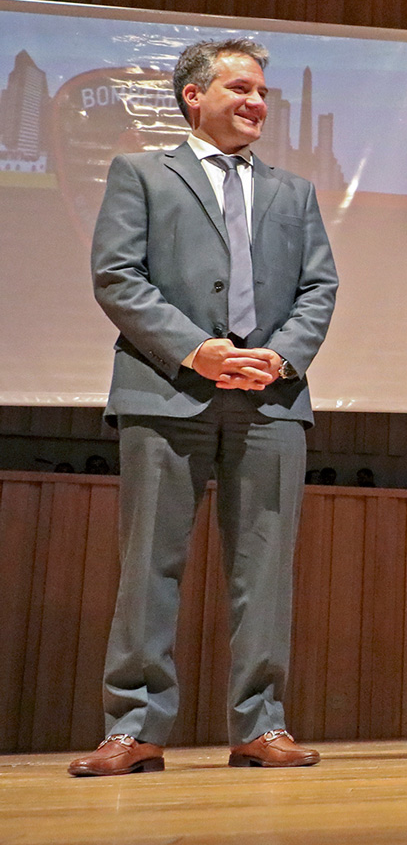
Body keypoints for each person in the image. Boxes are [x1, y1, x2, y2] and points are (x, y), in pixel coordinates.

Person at [73, 39, 337, 776]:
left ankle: (261, 726)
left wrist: (279, 359)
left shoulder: (295, 192)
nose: (257, 103)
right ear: (195, 96)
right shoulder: (140, 174)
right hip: (166, 392)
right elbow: (117, 277)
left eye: (262, 92)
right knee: (149, 567)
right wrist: (199, 351)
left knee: (266, 573)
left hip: (273, 401)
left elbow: (320, 289)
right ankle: (135, 727)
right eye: (241, 89)